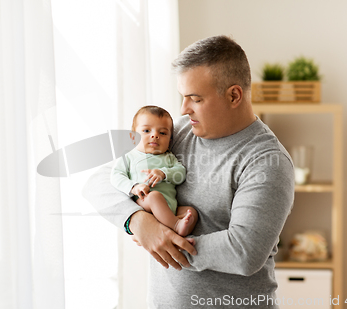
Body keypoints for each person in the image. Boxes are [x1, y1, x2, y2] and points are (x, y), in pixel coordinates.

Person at [83, 35, 294, 309]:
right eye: (183, 97)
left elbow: (243, 251)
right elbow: (100, 181)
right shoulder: (179, 132)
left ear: (234, 95)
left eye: (195, 98)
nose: (183, 109)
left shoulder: (266, 161)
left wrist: (162, 240)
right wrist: (136, 220)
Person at [110, 105, 197, 237]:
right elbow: (116, 175)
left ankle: (176, 233)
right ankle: (174, 225)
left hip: (169, 207)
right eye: (146, 131)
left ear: (170, 140)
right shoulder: (129, 156)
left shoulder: (168, 157)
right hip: (145, 202)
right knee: (155, 196)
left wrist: (164, 173)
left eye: (162, 133)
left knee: (191, 212)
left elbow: (181, 173)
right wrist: (134, 187)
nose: (155, 135)